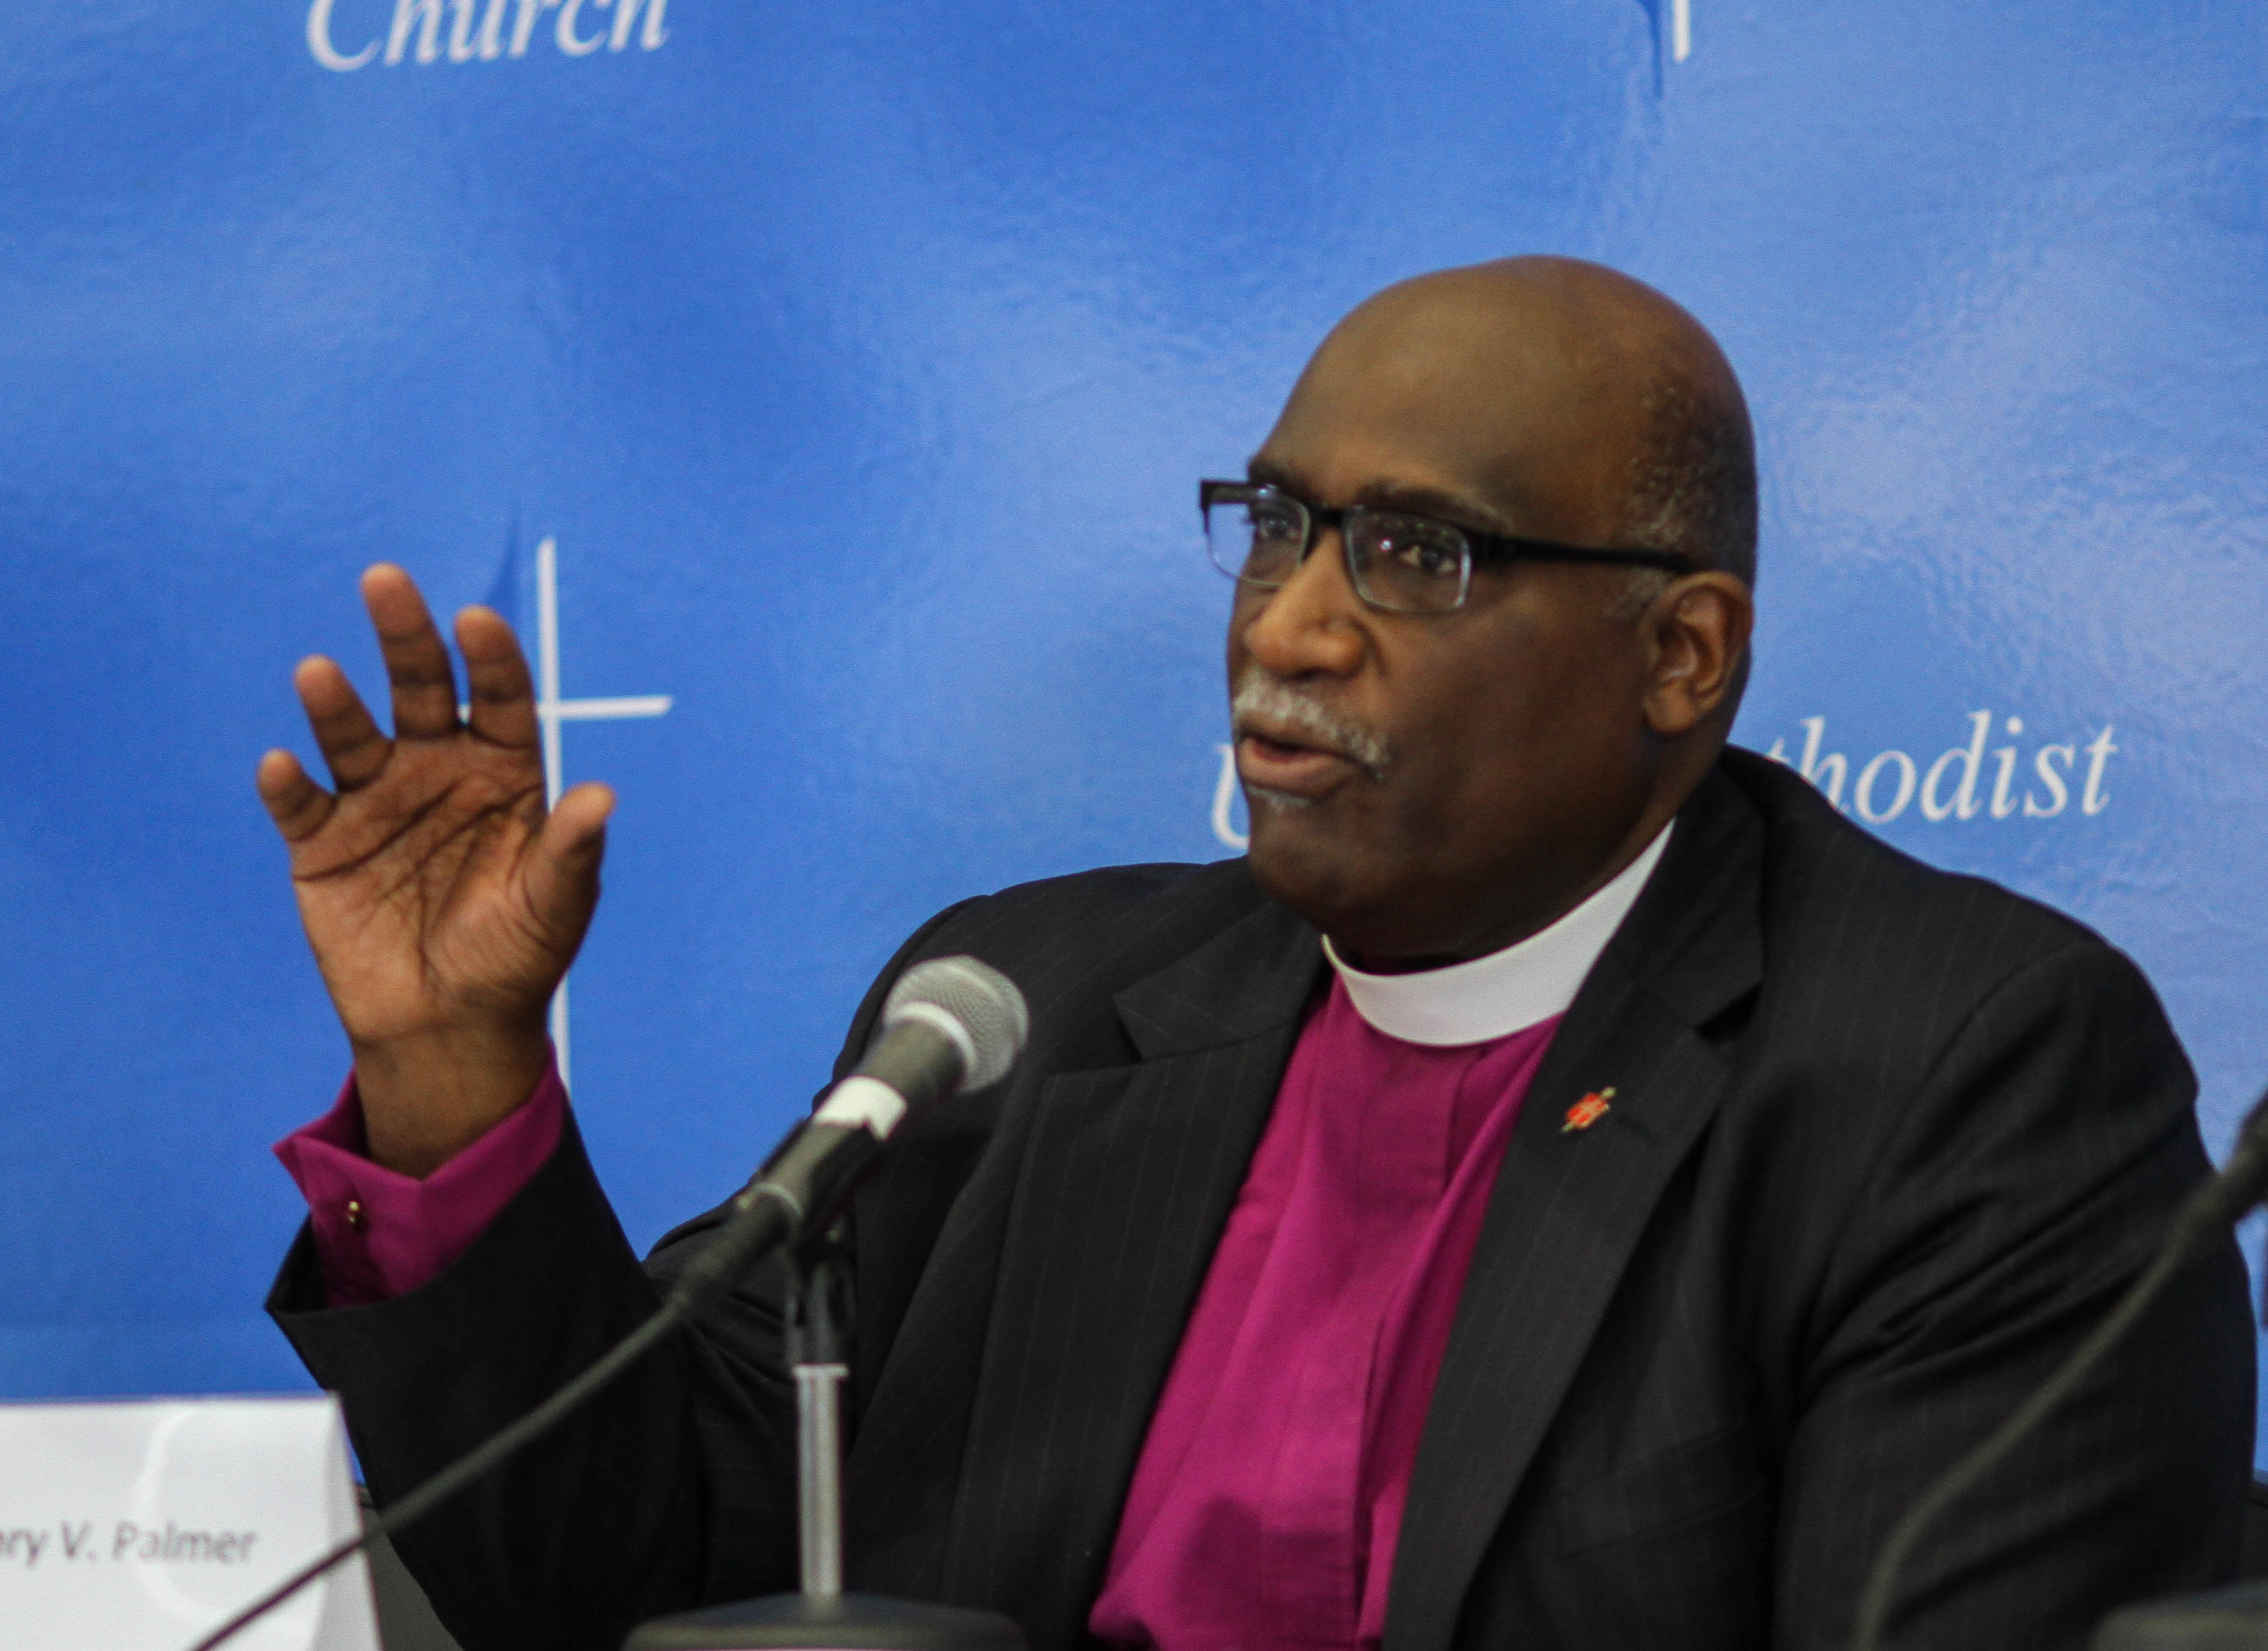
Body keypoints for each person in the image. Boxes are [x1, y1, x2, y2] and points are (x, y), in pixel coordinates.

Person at [259, 257, 2252, 1651]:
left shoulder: (1957, 1074)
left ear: (1680, 654)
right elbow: (634, 1579)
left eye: (1415, 555)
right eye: (1277, 527)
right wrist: (455, 1075)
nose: (1289, 629)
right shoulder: (1022, 1021)